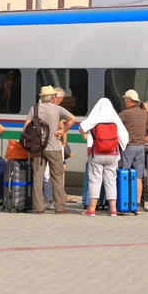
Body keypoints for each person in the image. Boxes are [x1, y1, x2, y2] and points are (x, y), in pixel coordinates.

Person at [24, 86, 76, 214]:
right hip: (54, 148)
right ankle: (59, 208)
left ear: (42, 97)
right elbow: (72, 119)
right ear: (53, 97)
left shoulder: (34, 109)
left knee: (38, 177)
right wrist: (63, 131)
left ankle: (39, 208)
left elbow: (26, 128)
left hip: (38, 148)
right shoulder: (58, 109)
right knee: (57, 177)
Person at [78, 98, 129, 217]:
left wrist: (87, 138)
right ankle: (113, 210)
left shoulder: (95, 119)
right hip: (112, 154)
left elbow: (81, 127)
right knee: (111, 181)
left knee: (95, 180)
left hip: (96, 154)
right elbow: (125, 136)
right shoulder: (115, 120)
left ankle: (91, 210)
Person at [118, 89, 148, 214]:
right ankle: (136, 204)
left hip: (129, 146)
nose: (124, 101)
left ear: (129, 100)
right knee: (138, 177)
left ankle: (123, 203)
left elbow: (115, 122)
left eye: (125, 99)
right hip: (141, 147)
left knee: (124, 173)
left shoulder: (125, 113)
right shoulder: (144, 113)